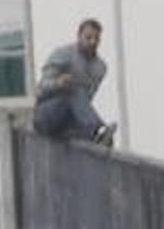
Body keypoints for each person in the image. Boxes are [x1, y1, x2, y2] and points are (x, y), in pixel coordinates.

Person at [33, 18, 117, 146]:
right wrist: (58, 83)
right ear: (79, 37)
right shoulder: (63, 54)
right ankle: (97, 130)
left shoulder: (100, 67)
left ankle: (95, 135)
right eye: (88, 38)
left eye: (96, 39)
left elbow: (86, 100)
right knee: (73, 89)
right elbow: (40, 88)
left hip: (69, 120)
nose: (92, 42)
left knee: (78, 95)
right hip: (47, 113)